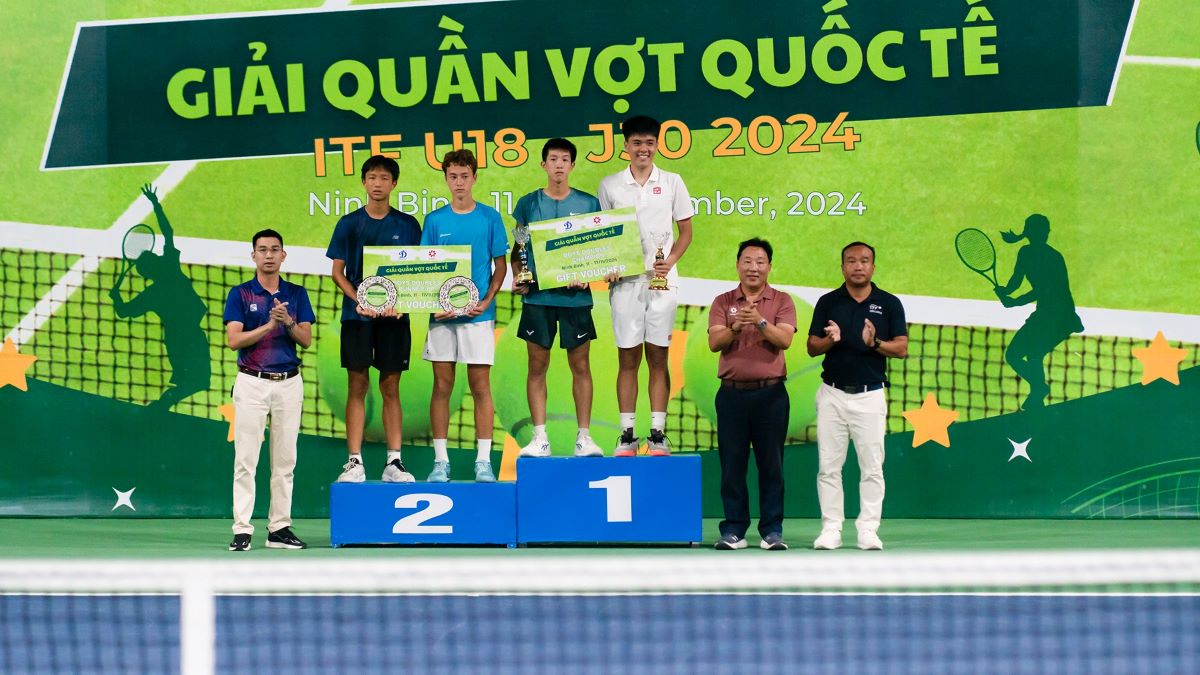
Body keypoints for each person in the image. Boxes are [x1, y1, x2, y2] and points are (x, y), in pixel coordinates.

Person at [597, 115, 695, 456]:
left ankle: (657, 433)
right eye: (637, 143)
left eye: (649, 143)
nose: (643, 149)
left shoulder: (672, 182)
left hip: (662, 282)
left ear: (656, 145)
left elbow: (686, 232)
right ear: (626, 146)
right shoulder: (609, 185)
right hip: (624, 284)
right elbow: (604, 235)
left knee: (658, 356)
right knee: (628, 358)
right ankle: (627, 435)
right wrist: (610, 266)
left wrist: (671, 261)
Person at [327, 155, 422, 484]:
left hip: (394, 319)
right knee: (357, 384)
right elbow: (337, 272)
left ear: (394, 183)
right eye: (372, 177)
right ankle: (354, 462)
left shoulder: (408, 225)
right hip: (357, 318)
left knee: (391, 386)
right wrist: (361, 300)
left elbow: (415, 271)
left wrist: (402, 302)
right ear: (364, 182)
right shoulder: (349, 224)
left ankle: (394, 462)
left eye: (384, 178)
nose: (377, 183)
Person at [807, 242, 908, 551]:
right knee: (828, 467)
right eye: (851, 261)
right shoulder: (828, 302)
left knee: (872, 468)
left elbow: (901, 348)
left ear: (873, 267)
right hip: (832, 395)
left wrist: (875, 342)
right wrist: (831, 340)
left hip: (870, 396)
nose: (858, 266)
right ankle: (831, 529)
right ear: (843, 267)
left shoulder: (889, 303)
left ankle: (868, 529)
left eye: (864, 261)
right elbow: (812, 347)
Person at [512, 138, 604, 458]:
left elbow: (598, 250)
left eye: (565, 159)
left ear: (572, 165)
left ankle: (584, 438)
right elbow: (519, 250)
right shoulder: (527, 204)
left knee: (581, 366)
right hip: (537, 298)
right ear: (544, 164)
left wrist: (587, 272)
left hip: (575, 299)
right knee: (537, 366)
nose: (559, 165)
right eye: (553, 159)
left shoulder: (590, 204)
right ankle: (540, 438)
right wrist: (519, 275)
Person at [223, 229, 314, 551]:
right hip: (251, 383)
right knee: (245, 461)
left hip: (289, 383)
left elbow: (306, 339)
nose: (269, 255)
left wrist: (288, 321)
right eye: (262, 250)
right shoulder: (240, 294)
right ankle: (242, 530)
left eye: (275, 249)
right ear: (254, 256)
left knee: (285, 462)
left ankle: (279, 529)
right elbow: (233, 340)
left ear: (283, 255)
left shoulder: (297, 294)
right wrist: (269, 326)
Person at [421, 149, 509, 482]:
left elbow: (500, 266)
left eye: (464, 176)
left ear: (474, 177)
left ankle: (483, 462)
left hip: (478, 318)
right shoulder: (434, 221)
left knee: (480, 386)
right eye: (453, 176)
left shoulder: (490, 218)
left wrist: (486, 301)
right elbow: (426, 269)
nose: (459, 182)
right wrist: (434, 305)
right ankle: (440, 462)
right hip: (442, 318)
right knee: (442, 386)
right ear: (446, 179)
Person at [707, 238, 796, 551]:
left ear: (769, 266)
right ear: (737, 265)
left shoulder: (782, 300)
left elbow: (784, 339)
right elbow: (714, 342)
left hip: (771, 396)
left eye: (760, 261)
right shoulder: (722, 301)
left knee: (772, 465)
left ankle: (772, 531)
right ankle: (734, 530)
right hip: (731, 397)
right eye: (747, 261)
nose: (753, 267)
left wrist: (758, 321)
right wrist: (734, 327)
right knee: (732, 465)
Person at [109, 184, 210, 411]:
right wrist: (155, 204)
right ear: (153, 266)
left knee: (192, 381)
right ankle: (159, 407)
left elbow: (123, 311)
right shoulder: (170, 268)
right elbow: (168, 232)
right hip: (189, 337)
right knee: (198, 381)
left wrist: (116, 297)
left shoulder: (151, 294)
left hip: (177, 339)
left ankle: (161, 407)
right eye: (154, 256)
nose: (157, 253)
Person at [994, 213, 1084, 410]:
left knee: (1024, 354)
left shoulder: (1047, 257)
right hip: (1049, 314)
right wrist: (1005, 291)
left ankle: (1038, 391)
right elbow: (1016, 280)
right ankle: (1038, 392)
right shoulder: (1033, 254)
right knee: (1023, 354)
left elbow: (1043, 290)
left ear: (1028, 232)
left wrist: (1014, 301)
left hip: (1058, 316)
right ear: (1046, 233)